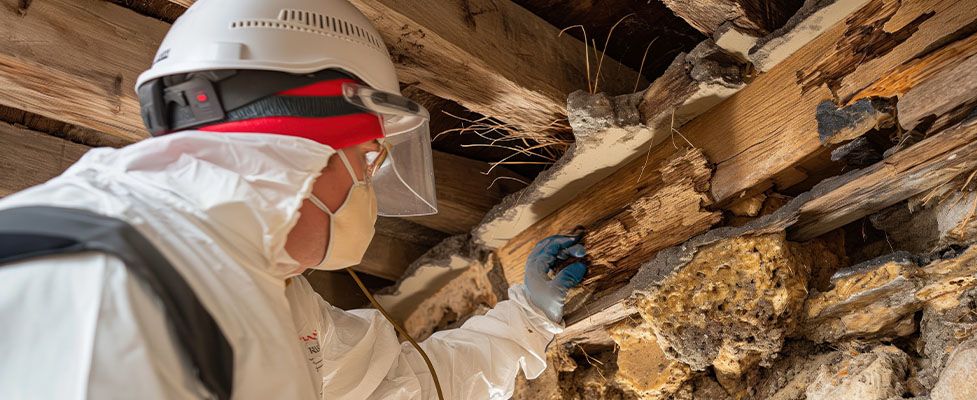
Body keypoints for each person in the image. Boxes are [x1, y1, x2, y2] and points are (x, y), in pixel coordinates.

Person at [0, 0, 588, 398]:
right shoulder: (90, 280)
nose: (369, 188)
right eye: (367, 159)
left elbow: (396, 386)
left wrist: (525, 321)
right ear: (305, 141)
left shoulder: (272, 295)